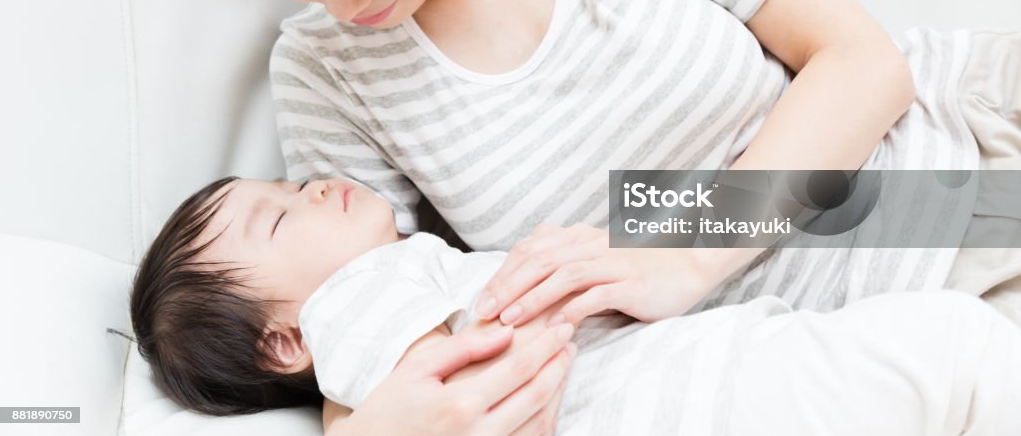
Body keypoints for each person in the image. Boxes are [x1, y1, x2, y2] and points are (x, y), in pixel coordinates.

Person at [185, 0, 1021, 431]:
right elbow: (363, 312)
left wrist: (683, 250)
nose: (341, 2)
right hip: (798, 364)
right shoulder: (325, 72)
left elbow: (864, 64)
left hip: (942, 201)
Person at [131, 174, 1021, 435]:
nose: (310, 184)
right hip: (702, 389)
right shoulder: (355, 303)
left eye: (289, 182)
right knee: (956, 353)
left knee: (950, 361)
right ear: (286, 342)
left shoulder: (407, 269)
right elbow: (439, 382)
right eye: (278, 214)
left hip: (784, 247)